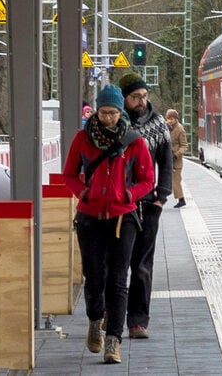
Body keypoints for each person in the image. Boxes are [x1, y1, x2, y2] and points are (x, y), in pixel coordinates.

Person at [63, 84, 154, 364]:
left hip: (123, 218)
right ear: (97, 111)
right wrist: (84, 192)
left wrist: (130, 194)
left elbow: (147, 179)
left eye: (113, 113)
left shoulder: (134, 141)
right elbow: (69, 175)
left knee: (118, 280)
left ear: (120, 112)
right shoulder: (82, 139)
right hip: (90, 217)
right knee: (94, 277)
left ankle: (113, 340)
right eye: (104, 112)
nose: (109, 118)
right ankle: (94, 320)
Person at [118, 70, 173, 340]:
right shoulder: (114, 123)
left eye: (144, 96)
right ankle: (111, 315)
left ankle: (138, 321)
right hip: (118, 205)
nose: (141, 101)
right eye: (135, 97)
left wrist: (162, 196)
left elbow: (166, 160)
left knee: (142, 264)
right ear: (124, 98)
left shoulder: (159, 124)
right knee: (116, 263)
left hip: (148, 204)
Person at [164, 109, 189, 208]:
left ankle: (181, 200)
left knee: (175, 180)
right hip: (167, 158)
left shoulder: (180, 129)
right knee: (170, 180)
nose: (169, 121)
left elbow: (184, 146)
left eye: (171, 119)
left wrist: (176, 154)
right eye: (168, 119)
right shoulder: (165, 127)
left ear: (175, 119)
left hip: (176, 160)